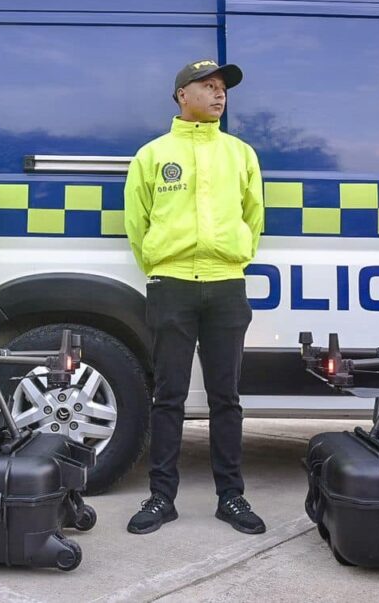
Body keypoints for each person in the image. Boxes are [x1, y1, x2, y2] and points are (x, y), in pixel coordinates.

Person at [124, 59, 265, 535]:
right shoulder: (152, 155)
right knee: (169, 396)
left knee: (227, 397)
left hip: (227, 284)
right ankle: (161, 498)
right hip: (173, 285)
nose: (219, 94)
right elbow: (136, 223)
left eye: (222, 88)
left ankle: (232, 498)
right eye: (208, 86)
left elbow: (254, 216)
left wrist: (235, 258)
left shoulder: (241, 153)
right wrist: (162, 265)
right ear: (182, 94)